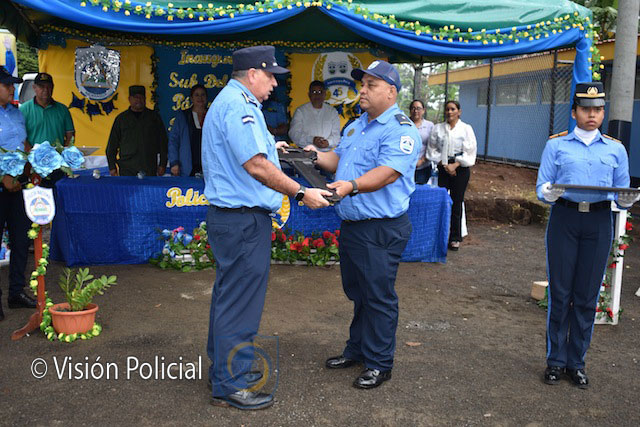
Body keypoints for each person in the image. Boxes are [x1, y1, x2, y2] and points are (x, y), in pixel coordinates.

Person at [203, 45, 330, 410]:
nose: (275, 83)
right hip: (243, 220)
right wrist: (301, 192)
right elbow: (255, 166)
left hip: (233, 219)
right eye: (271, 76)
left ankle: (223, 372)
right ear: (253, 74)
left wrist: (274, 148)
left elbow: (252, 154)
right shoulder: (240, 106)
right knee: (240, 304)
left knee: (229, 298)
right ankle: (232, 384)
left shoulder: (233, 102)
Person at [306, 60, 419, 389]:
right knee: (359, 294)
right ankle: (357, 350)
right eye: (362, 84)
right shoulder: (356, 125)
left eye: (371, 85)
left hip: (381, 228)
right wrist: (309, 154)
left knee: (378, 296)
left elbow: (388, 173)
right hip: (354, 225)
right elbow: (336, 160)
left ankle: (380, 363)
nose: (363, 90)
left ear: (391, 92)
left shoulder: (400, 129)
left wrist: (352, 186)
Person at [536, 82, 639, 389]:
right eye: (585, 109)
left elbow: (621, 194)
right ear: (574, 112)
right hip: (565, 219)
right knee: (561, 293)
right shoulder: (556, 145)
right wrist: (549, 192)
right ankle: (555, 361)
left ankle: (576, 362)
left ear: (603, 113)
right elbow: (542, 186)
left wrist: (628, 199)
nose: (592, 115)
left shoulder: (615, 149)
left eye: (598, 110)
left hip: (598, 221)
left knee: (587, 295)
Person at [0, 67, 36, 322]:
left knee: (21, 241)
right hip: (1, 186)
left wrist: (33, 162)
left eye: (12, 85)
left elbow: (24, 144)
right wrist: (3, 177)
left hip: (19, 186)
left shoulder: (16, 112)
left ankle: (16, 293)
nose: (12, 89)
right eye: (7, 85)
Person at [426, 100, 477, 251]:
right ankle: (438, 235)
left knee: (456, 202)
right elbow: (431, 149)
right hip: (443, 167)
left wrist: (455, 165)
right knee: (441, 201)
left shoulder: (466, 129)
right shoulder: (438, 128)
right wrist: (444, 164)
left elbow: (471, 151)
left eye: (453, 109)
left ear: (459, 112)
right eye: (447, 109)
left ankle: (455, 237)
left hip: (460, 169)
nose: (449, 112)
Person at [106, 85, 168, 177]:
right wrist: (112, 167)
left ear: (145, 99)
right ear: (129, 99)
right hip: (127, 168)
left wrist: (163, 164)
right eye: (135, 97)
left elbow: (163, 142)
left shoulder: (154, 117)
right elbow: (112, 145)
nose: (138, 100)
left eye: (141, 97)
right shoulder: (121, 119)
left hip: (149, 166)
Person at [19, 72, 75, 147]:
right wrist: (30, 151)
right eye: (41, 86)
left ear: (53, 88)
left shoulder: (63, 110)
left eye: (49, 87)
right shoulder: (23, 110)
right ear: (34, 87)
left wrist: (65, 150)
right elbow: (20, 136)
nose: (45, 90)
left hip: (58, 154)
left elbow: (70, 134)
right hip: (33, 153)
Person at [168, 84, 208, 177]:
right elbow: (174, 141)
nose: (200, 98)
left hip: (208, 167)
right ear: (191, 98)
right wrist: (174, 162)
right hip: (187, 167)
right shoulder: (183, 116)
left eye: (203, 95)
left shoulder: (212, 115)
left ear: (206, 98)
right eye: (196, 95)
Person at [289, 80, 340, 152]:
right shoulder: (300, 111)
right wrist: (312, 140)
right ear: (309, 94)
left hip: (326, 154)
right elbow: (294, 134)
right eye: (314, 92)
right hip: (306, 153)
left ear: (325, 94)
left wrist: (328, 142)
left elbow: (337, 136)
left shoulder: (332, 111)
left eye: (320, 92)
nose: (317, 95)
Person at [409, 99, 434, 185]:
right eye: (413, 108)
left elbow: (432, 146)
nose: (416, 111)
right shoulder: (404, 124)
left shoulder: (430, 125)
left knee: (421, 190)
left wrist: (422, 160)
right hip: (405, 166)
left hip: (423, 167)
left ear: (423, 110)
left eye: (418, 108)